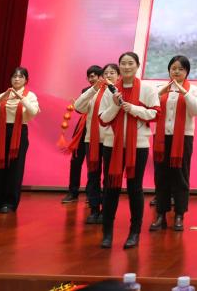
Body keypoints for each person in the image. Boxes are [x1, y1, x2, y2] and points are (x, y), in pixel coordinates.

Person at [98, 51, 158, 249]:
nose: (126, 67)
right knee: (111, 188)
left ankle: (134, 233)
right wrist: (116, 105)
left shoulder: (147, 89)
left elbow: (154, 114)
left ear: (138, 66)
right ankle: (107, 233)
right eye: (123, 63)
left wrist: (133, 108)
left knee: (135, 188)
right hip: (111, 145)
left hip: (138, 146)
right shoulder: (110, 90)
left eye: (130, 63)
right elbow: (103, 119)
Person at [150, 55, 197, 233]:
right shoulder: (160, 88)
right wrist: (160, 93)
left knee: (180, 176)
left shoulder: (193, 90)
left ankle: (180, 214)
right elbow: (149, 107)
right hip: (161, 138)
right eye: (173, 68)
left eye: (181, 69)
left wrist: (185, 93)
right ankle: (161, 214)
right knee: (161, 176)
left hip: (183, 138)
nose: (176, 72)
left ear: (187, 72)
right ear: (168, 70)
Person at [0, 67, 40, 213]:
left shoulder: (30, 95)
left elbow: (33, 112)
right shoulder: (4, 94)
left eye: (20, 77)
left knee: (15, 168)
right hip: (2, 132)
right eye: (14, 76)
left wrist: (21, 98)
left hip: (19, 131)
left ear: (26, 80)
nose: (17, 79)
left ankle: (9, 203)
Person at [72, 64, 114, 225]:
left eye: (112, 73)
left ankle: (106, 211)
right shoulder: (93, 92)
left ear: (118, 76)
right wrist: (93, 89)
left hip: (110, 140)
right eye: (105, 73)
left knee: (109, 177)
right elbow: (78, 107)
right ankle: (94, 209)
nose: (108, 76)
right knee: (93, 176)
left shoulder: (117, 92)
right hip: (92, 140)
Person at [62, 65, 103, 205]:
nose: (91, 79)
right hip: (83, 127)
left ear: (100, 77)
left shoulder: (107, 90)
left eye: (94, 76)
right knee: (75, 161)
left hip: (98, 127)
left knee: (93, 163)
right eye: (89, 76)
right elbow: (80, 109)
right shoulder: (86, 91)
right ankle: (72, 192)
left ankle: (91, 193)